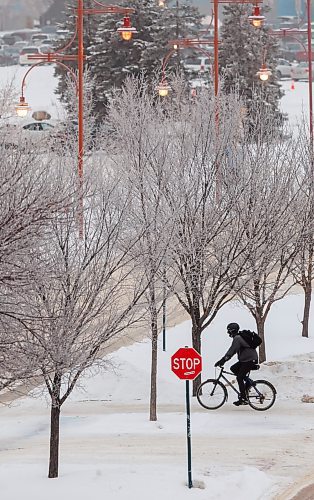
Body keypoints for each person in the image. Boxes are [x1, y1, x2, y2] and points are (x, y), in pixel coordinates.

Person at [215, 322, 258, 406]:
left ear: (232, 331)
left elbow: (232, 351)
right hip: (246, 360)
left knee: (239, 378)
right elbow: (233, 351)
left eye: (229, 331)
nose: (228, 333)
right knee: (233, 368)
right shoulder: (239, 337)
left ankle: (243, 398)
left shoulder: (237, 338)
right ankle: (248, 382)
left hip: (249, 360)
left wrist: (222, 360)